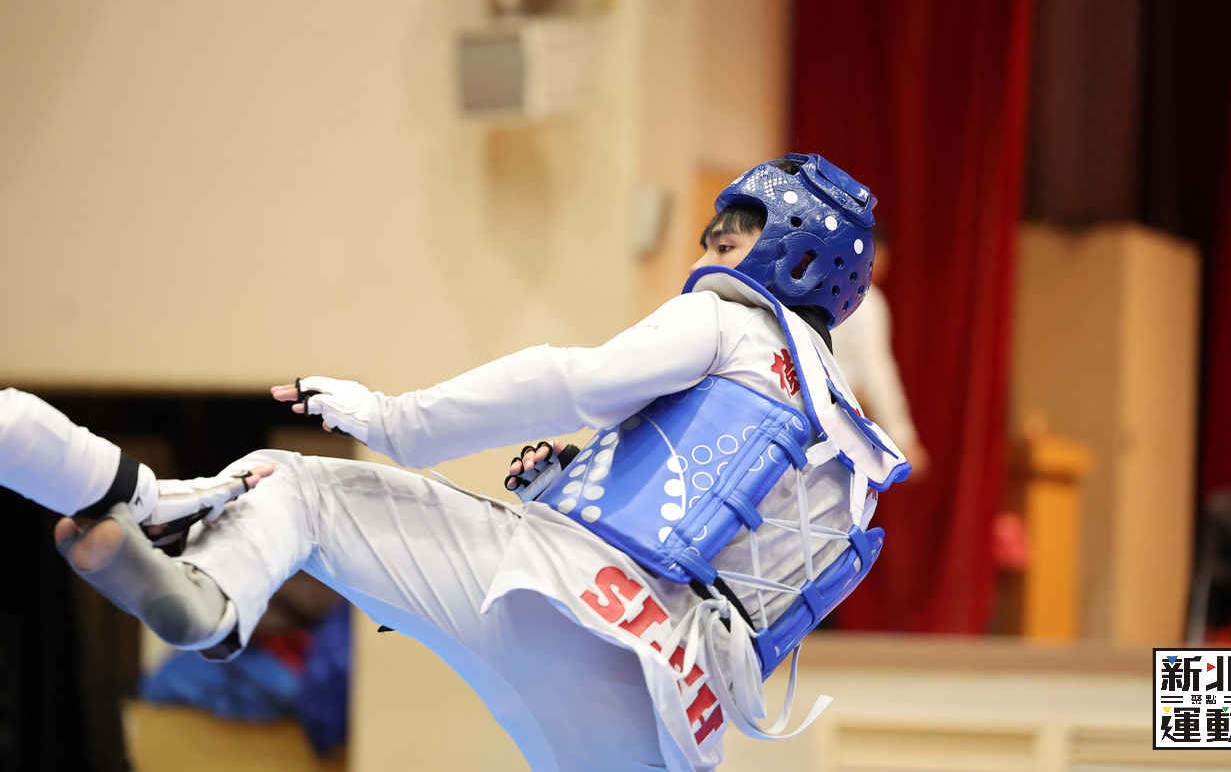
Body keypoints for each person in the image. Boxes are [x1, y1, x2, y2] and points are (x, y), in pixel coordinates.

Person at [0, 153, 910, 772]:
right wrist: (578, 478)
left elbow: (572, 380)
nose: (708, 250)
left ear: (787, 251)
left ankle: (212, 597)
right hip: (677, 715)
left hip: (569, 596)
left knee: (304, 487)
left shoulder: (727, 319)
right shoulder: (852, 446)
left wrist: (396, 420)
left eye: (729, 236)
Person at [829, 226, 929, 476]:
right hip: (838, 420)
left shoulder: (815, 289)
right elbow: (878, 373)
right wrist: (903, 439)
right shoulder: (865, 301)